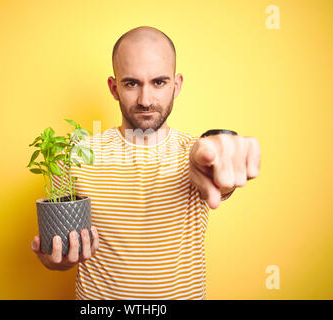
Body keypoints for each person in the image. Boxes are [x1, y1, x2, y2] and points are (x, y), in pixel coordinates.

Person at [31, 26, 261, 299]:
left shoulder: (196, 154)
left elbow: (216, 174)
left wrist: (223, 162)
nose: (146, 100)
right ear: (114, 88)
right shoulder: (76, 155)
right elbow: (54, 254)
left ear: (176, 85)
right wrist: (58, 259)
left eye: (159, 82)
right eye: (131, 83)